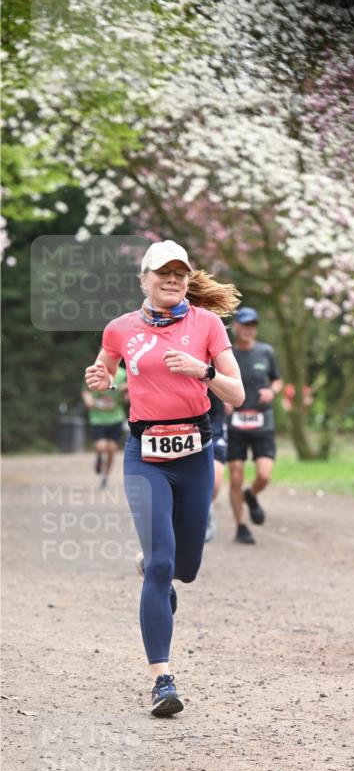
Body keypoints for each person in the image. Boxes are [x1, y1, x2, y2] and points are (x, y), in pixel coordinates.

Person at [84, 240, 244, 716]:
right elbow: (105, 371)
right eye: (162, 273)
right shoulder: (120, 329)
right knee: (159, 565)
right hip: (144, 454)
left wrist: (204, 370)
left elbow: (236, 392)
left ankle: (160, 567)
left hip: (195, 453)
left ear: (188, 277)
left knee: (185, 568)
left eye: (179, 273)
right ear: (145, 278)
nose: (171, 280)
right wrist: (100, 379)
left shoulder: (207, 325)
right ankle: (162, 681)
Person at [227, 307, 283, 544]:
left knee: (264, 475)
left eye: (253, 326)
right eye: (244, 325)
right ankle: (241, 526)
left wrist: (272, 391)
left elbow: (277, 380)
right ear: (236, 327)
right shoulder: (226, 353)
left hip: (262, 421)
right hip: (235, 423)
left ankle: (252, 494)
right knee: (236, 476)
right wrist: (223, 398)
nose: (248, 330)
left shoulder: (266, 352)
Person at [81, 364, 128, 488]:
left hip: (115, 417)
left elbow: (126, 399)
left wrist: (125, 392)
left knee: (112, 449)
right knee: (101, 446)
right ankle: (99, 458)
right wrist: (88, 399)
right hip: (97, 418)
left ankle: (105, 477)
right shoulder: (93, 371)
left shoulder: (123, 374)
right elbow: (86, 391)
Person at [204, 386, 228, 543]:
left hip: (214, 426)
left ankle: (205, 510)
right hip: (182, 427)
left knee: (215, 480)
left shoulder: (216, 360)